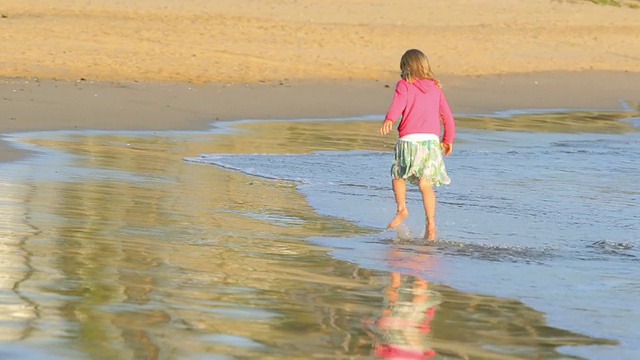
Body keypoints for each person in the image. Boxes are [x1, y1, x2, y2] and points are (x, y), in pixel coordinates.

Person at [379, 49, 455, 240]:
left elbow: (399, 103)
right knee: (425, 183)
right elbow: (448, 117)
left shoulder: (404, 85)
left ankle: (402, 209)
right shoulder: (436, 88)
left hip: (409, 141)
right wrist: (448, 139)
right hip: (430, 142)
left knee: (398, 176)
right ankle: (431, 223)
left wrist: (390, 119)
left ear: (405, 67)